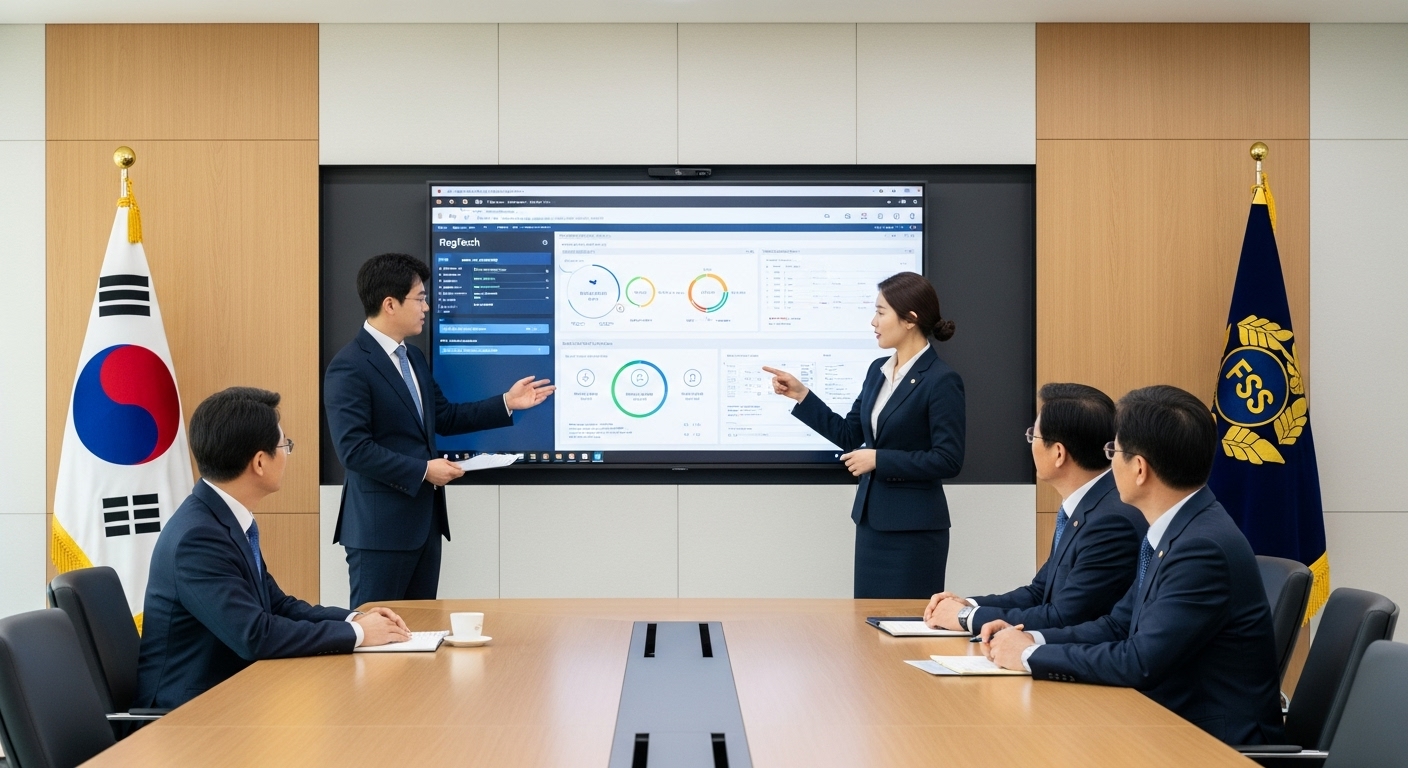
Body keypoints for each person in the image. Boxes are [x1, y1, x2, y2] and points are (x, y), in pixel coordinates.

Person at [982, 385, 1284, 746]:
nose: (1109, 462)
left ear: (1139, 468)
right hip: (1167, 724)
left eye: (1114, 451)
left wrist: (1030, 655)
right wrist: (1030, 637)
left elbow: (1138, 661)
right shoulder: (1181, 528)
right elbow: (1118, 624)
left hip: (1212, 745)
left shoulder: (1201, 549)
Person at [135, 388, 411, 710]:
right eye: (285, 446)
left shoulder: (221, 519)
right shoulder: (197, 539)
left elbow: (277, 606)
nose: (287, 454)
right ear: (260, 462)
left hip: (233, 695)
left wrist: (354, 619)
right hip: (186, 716)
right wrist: (358, 635)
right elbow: (255, 635)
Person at [325, 253, 554, 606]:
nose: (426, 307)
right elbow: (354, 450)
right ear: (390, 304)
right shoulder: (350, 366)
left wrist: (507, 402)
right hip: (379, 533)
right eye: (419, 298)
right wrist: (423, 470)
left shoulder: (412, 357)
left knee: (419, 635)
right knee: (379, 638)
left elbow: (443, 417)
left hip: (424, 527)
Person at [764, 271, 964, 598]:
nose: (874, 321)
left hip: (914, 533)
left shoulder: (941, 380)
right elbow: (848, 434)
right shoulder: (877, 371)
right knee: (869, 627)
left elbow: (948, 459)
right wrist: (802, 395)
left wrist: (879, 460)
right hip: (873, 527)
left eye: (881, 312)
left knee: (906, 630)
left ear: (910, 319)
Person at [923, 383, 1146, 634]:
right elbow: (1040, 592)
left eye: (1034, 436)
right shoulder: (1087, 506)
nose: (1030, 443)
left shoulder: (1111, 522)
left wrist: (966, 617)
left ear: (1058, 453)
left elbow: (1065, 617)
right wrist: (968, 605)